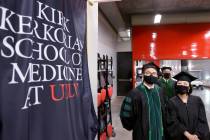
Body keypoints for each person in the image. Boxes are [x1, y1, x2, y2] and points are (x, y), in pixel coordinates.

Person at [120, 62, 165, 140]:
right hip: (141, 133)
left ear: (157, 76)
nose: (151, 75)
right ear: (143, 75)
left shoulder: (160, 91)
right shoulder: (134, 93)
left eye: (154, 73)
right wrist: (136, 127)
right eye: (148, 73)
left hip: (159, 131)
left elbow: (164, 110)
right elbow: (126, 115)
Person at [166, 71, 210, 140]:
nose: (182, 85)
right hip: (181, 136)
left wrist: (196, 135)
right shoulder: (171, 102)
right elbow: (173, 121)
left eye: (185, 83)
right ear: (176, 86)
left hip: (197, 137)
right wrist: (188, 135)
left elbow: (202, 120)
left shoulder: (197, 100)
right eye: (179, 83)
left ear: (189, 87)